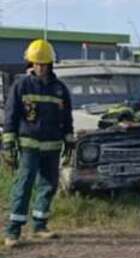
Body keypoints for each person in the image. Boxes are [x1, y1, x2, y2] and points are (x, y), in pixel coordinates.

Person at [2, 39, 73, 247]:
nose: (40, 67)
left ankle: (40, 225)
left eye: (44, 64)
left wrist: (69, 139)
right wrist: (8, 144)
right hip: (29, 145)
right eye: (37, 63)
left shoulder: (60, 89)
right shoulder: (21, 85)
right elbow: (11, 115)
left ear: (50, 64)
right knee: (24, 185)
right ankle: (13, 231)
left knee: (48, 185)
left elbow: (67, 117)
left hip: (52, 146)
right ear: (30, 64)